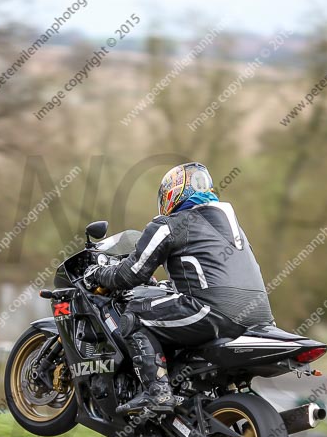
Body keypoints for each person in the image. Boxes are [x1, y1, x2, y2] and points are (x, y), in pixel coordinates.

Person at [83, 162, 274, 414]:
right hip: (259, 316)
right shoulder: (231, 226)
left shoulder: (170, 224)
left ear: (173, 193)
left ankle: (158, 393)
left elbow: (131, 273)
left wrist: (98, 274)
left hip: (214, 311)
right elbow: (210, 271)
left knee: (135, 316)